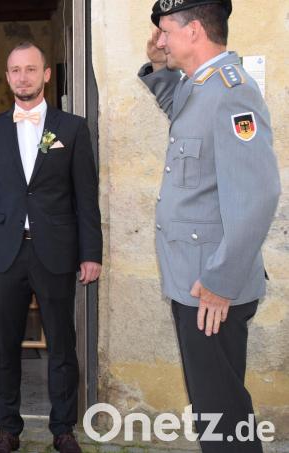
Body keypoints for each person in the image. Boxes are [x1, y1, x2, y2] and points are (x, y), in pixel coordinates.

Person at [140, 1, 280, 451]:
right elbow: (179, 111)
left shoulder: (232, 92)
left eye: (166, 32)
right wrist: (159, 65)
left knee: (222, 415)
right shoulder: (199, 87)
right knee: (213, 410)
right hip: (195, 279)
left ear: (194, 30)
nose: (160, 41)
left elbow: (258, 196)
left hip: (211, 286)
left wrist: (220, 281)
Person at [0, 42, 102, 453]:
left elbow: (86, 197)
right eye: (15, 70)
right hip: (5, 253)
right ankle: (7, 429)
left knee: (62, 345)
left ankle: (63, 429)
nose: (23, 77)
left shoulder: (71, 128)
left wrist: (92, 253)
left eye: (31, 69)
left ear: (45, 75)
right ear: (7, 77)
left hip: (56, 250)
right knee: (3, 346)